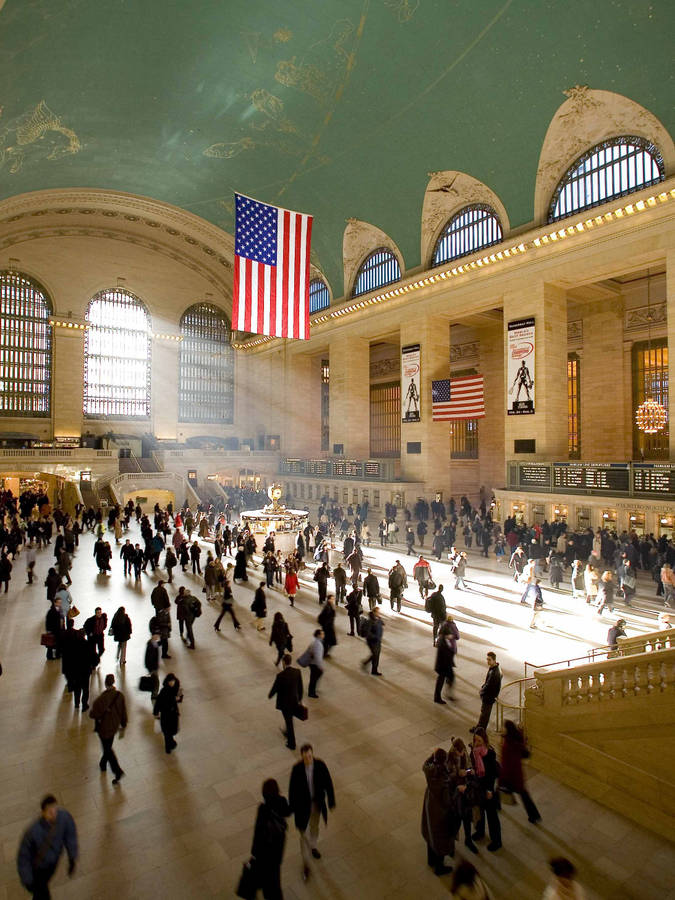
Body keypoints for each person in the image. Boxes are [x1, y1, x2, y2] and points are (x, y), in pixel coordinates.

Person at [288, 745, 335, 881]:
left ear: (312, 754)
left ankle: (313, 846)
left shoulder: (320, 765)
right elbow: (292, 790)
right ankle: (306, 864)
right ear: (302, 757)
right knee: (303, 836)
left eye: (310, 756)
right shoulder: (297, 770)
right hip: (302, 807)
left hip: (316, 804)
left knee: (315, 826)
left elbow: (328, 783)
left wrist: (331, 800)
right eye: (305, 757)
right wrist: (292, 807)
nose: (308, 759)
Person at [17, 795, 78, 899]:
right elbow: (23, 857)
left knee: (40, 891)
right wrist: (27, 880)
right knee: (42, 893)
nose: (54, 813)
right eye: (50, 811)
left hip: (52, 864)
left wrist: (72, 857)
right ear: (43, 812)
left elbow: (70, 836)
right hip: (39, 868)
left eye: (55, 809)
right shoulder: (33, 832)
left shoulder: (64, 817)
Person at [250, 778, 291, 899]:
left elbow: (257, 833)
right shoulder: (282, 801)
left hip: (264, 852)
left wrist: (254, 852)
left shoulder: (262, 809)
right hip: (277, 850)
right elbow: (288, 812)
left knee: (267, 883)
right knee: (275, 878)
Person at [499, 720, 541, 824]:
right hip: (518, 774)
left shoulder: (507, 745)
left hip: (511, 776)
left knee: (499, 790)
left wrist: (502, 776)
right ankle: (534, 815)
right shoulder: (517, 739)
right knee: (525, 796)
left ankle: (496, 805)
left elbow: (506, 763)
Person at [421, 748, 454, 876]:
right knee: (440, 838)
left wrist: (432, 756)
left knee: (430, 833)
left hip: (430, 805)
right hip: (439, 811)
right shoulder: (443, 780)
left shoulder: (430, 771)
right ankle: (439, 867)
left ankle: (431, 860)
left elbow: (424, 765)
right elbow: (446, 801)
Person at [89, 673, 127, 784]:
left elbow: (92, 714)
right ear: (114, 682)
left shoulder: (101, 699)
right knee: (108, 746)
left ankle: (117, 771)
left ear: (105, 683)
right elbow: (124, 713)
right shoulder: (120, 696)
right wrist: (123, 725)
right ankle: (103, 763)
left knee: (107, 749)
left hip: (103, 728)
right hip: (114, 727)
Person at [470, 727, 502, 851]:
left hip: (487, 789)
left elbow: (492, 773)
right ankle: (480, 832)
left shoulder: (489, 753)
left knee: (492, 816)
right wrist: (467, 771)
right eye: (475, 740)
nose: (477, 743)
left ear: (484, 739)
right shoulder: (473, 752)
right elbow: (471, 768)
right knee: (479, 811)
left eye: (479, 740)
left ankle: (497, 841)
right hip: (477, 787)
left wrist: (489, 790)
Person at [269, 653, 304, 750]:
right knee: (289, 720)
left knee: (289, 722)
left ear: (284, 662)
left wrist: (270, 695)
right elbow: (300, 687)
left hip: (285, 705)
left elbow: (274, 689)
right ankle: (286, 732)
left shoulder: (280, 676)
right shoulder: (297, 672)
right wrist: (300, 699)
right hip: (294, 702)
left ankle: (291, 744)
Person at [153, 673, 182, 754]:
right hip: (166, 715)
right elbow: (158, 703)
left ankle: (171, 743)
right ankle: (168, 747)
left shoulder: (175, 690)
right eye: (170, 681)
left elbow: (180, 699)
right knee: (166, 732)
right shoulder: (164, 691)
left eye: (173, 681)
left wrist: (179, 698)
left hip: (173, 715)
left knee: (170, 731)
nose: (172, 683)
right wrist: (156, 712)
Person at [434, 618, 460, 704]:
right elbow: (445, 655)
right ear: (446, 635)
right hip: (443, 666)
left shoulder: (444, 640)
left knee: (447, 679)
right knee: (442, 680)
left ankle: (445, 695)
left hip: (445, 665)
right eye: (449, 634)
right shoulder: (443, 642)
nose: (451, 636)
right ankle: (438, 697)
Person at [474, 652, 501, 731]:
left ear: (494, 660)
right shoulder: (494, 668)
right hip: (488, 696)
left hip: (489, 697)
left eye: (489, 660)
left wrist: (481, 692)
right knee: (484, 714)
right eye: (487, 659)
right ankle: (479, 728)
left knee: (485, 715)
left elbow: (488, 685)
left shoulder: (494, 673)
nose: (488, 661)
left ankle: (480, 730)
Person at [298, 629, 324, 698]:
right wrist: (320, 666)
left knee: (314, 677)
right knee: (314, 677)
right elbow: (317, 657)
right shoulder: (318, 644)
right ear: (318, 635)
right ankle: (311, 693)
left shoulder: (314, 642)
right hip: (314, 664)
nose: (323, 635)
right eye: (322, 634)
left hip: (312, 663)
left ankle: (312, 690)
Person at [361, 607, 384, 676]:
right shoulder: (370, 621)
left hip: (378, 640)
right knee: (375, 655)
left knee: (376, 655)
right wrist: (375, 637)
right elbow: (368, 633)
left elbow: (381, 624)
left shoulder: (378, 619)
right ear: (374, 612)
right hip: (372, 641)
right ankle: (374, 670)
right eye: (377, 612)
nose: (379, 613)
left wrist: (380, 621)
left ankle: (366, 664)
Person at [144, 633, 161, 700]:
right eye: (156, 635)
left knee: (155, 680)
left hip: (153, 666)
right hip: (153, 667)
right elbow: (149, 657)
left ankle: (154, 693)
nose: (157, 637)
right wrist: (151, 669)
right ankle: (154, 694)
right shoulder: (151, 645)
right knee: (156, 681)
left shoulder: (153, 643)